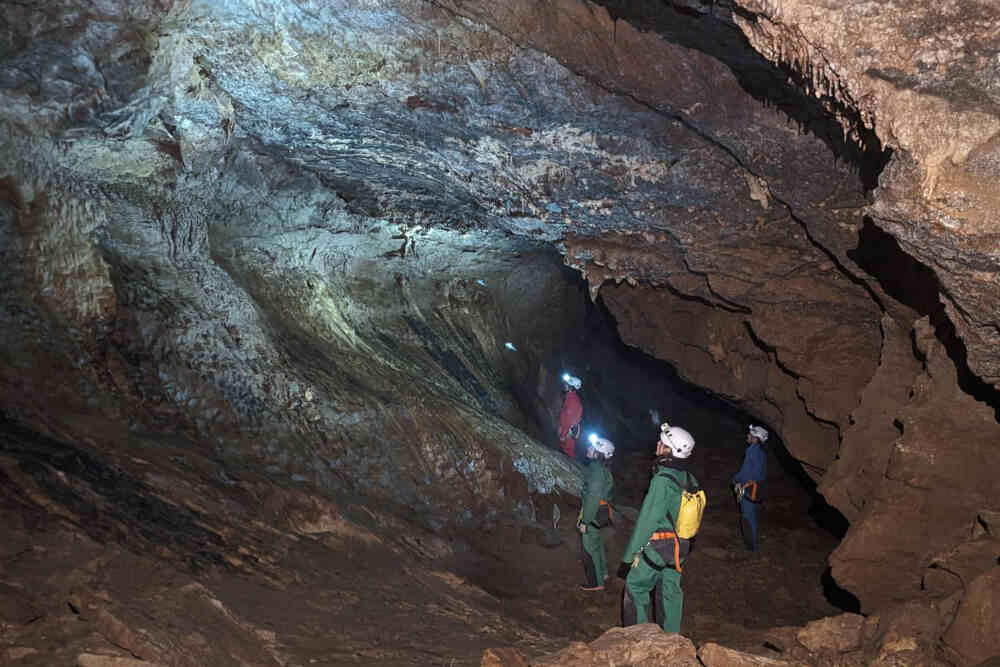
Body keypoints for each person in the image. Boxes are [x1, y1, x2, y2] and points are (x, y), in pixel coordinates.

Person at [621, 422, 698, 633]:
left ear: (669, 450)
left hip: (659, 546)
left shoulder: (662, 481)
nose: (657, 444)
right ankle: (671, 640)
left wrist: (628, 558)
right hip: (681, 546)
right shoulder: (689, 479)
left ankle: (639, 641)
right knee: (670, 591)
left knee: (636, 586)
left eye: (662, 443)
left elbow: (647, 521)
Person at [578, 434, 615, 591]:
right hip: (600, 511)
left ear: (598, 453)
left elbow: (593, 497)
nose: (588, 448)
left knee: (589, 547)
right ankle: (603, 573)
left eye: (592, 447)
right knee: (596, 543)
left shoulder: (597, 472)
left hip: (593, 512)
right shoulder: (601, 469)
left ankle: (596, 582)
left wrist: (585, 521)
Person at [732, 424, 768, 552]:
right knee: (750, 515)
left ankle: (752, 547)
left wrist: (735, 479)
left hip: (747, 487)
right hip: (755, 488)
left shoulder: (752, 450)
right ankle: (752, 544)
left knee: (747, 516)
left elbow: (746, 472)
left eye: (751, 434)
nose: (748, 435)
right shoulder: (761, 453)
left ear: (756, 438)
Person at [557, 374, 583, 458]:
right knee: (564, 450)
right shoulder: (570, 397)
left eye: (567, 384)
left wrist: (563, 435)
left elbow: (569, 420)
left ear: (572, 388)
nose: (565, 385)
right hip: (566, 429)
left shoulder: (573, 401)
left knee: (567, 452)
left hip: (568, 433)